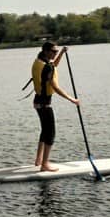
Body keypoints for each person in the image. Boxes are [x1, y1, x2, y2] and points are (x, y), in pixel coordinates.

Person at [31, 41, 79, 171]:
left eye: (56, 51)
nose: (55, 53)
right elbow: (55, 87)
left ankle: (38, 160)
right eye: (54, 51)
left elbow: (54, 65)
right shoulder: (47, 67)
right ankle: (45, 164)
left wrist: (62, 53)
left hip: (37, 102)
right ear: (47, 51)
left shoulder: (40, 61)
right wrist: (71, 99)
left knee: (44, 130)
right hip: (45, 104)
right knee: (50, 133)